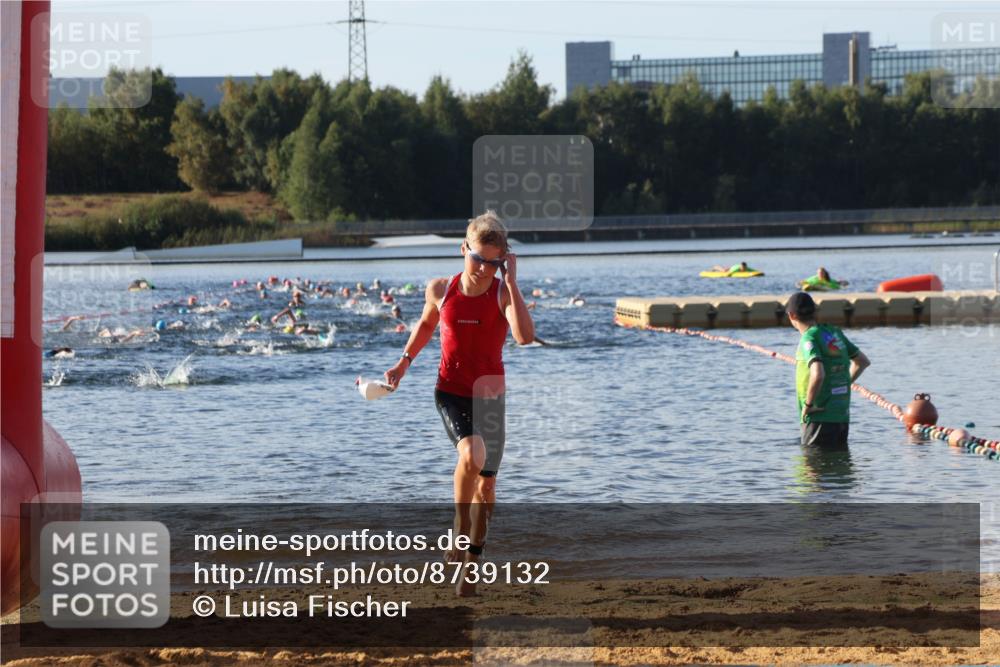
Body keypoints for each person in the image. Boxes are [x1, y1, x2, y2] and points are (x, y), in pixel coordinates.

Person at [383, 211, 534, 596]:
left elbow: (524, 337)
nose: (483, 268)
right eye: (477, 258)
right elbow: (426, 326)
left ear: (503, 260)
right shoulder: (440, 289)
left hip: (490, 395)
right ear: (463, 249)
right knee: (472, 454)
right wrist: (403, 362)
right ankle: (458, 522)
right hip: (450, 390)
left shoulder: (501, 292)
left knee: (487, 491)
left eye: (493, 262)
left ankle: (469, 571)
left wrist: (512, 282)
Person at [786, 292, 870, 447]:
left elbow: (818, 374)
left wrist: (808, 405)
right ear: (815, 311)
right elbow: (862, 362)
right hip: (841, 415)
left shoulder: (808, 338)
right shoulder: (833, 333)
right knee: (839, 467)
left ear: (791, 315)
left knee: (811, 467)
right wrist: (843, 383)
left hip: (818, 415)